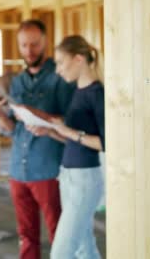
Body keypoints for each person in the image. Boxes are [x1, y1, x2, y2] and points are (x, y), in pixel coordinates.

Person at [0, 19, 75, 259]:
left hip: (48, 169)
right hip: (18, 170)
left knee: (60, 233)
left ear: (45, 42)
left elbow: (72, 123)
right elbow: (12, 130)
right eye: (24, 45)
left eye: (34, 44)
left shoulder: (60, 77)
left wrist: (41, 117)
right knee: (26, 235)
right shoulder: (16, 82)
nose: (29, 51)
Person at [27, 35, 105, 259]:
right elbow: (75, 140)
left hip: (85, 180)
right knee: (83, 247)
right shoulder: (77, 92)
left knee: (61, 252)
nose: (58, 70)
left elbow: (105, 143)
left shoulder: (96, 93)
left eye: (61, 62)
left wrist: (67, 130)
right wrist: (51, 131)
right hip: (68, 176)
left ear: (78, 59)